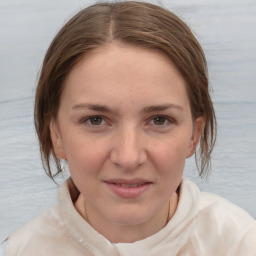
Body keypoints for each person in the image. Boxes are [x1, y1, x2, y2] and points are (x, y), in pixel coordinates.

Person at [3, 1, 256, 255]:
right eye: (95, 120)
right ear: (55, 134)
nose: (128, 157)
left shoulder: (241, 243)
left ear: (194, 135)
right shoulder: (21, 250)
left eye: (159, 120)